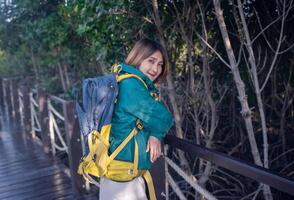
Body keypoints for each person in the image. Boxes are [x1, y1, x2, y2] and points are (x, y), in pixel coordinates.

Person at [99, 38, 174, 200]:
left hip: (121, 174)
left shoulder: (126, 80)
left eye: (160, 64)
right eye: (151, 61)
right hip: (122, 182)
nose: (155, 69)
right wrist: (157, 132)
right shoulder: (132, 86)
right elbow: (164, 117)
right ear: (138, 58)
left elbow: (146, 117)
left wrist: (155, 133)